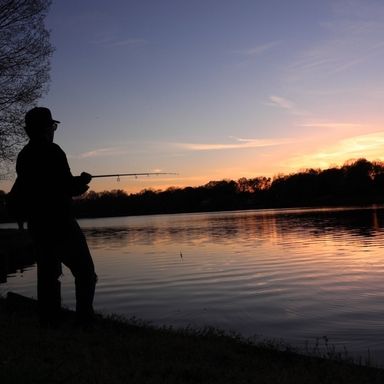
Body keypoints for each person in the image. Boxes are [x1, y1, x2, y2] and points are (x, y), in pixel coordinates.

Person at [13, 107, 97, 327]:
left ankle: (49, 320)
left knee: (48, 274)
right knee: (85, 272)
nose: (54, 130)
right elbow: (66, 187)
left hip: (38, 224)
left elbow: (30, 189)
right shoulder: (53, 151)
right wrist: (83, 181)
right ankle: (85, 320)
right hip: (60, 222)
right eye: (53, 126)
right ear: (47, 128)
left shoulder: (24, 156)